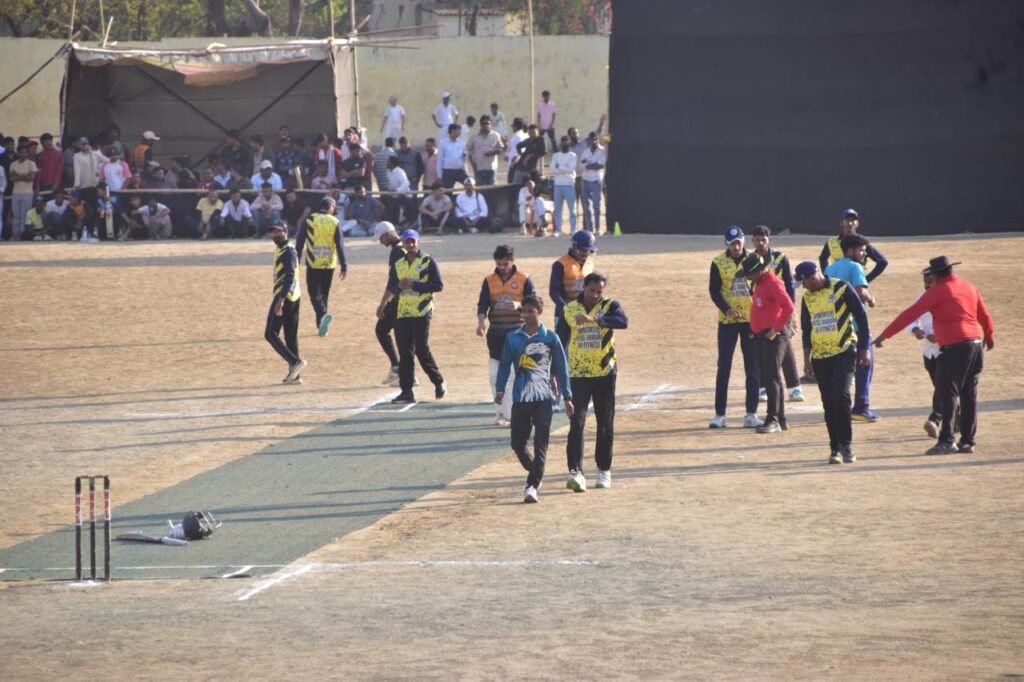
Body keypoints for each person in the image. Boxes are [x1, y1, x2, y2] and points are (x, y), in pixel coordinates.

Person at [873, 256, 995, 455]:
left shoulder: (937, 291)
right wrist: (989, 336)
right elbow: (984, 314)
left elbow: (910, 314)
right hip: (975, 345)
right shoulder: (969, 287)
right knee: (969, 394)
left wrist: (884, 335)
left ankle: (947, 440)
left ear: (937, 275)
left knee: (947, 393)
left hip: (955, 348)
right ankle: (968, 441)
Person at [496, 295, 574, 503]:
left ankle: (531, 486)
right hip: (521, 398)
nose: (527, 315)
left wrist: (567, 397)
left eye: (531, 311)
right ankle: (536, 472)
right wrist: (500, 389)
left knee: (541, 444)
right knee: (517, 444)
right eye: (524, 311)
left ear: (540, 312)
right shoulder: (513, 337)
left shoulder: (550, 337)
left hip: (543, 398)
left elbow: (562, 368)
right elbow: (504, 365)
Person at [557, 272, 628, 491]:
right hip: (577, 374)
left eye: (599, 291)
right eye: (592, 290)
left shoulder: (609, 305)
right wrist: (554, 371)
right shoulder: (569, 309)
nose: (595, 295)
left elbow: (623, 322)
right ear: (583, 287)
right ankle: (576, 472)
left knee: (604, 423)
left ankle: (604, 469)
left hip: (605, 372)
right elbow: (559, 341)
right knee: (576, 423)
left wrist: (595, 319)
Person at [794, 261, 871, 464]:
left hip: (844, 350)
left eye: (804, 282)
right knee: (828, 402)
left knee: (841, 396)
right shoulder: (807, 298)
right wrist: (807, 360)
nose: (803, 287)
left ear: (813, 277)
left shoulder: (842, 288)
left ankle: (846, 446)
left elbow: (861, 316)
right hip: (820, 357)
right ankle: (834, 448)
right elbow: (807, 330)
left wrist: (864, 348)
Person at [708, 226, 761, 429]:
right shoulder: (718, 262)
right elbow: (714, 291)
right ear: (727, 245)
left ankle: (751, 413)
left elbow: (762, 285)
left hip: (751, 321)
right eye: (732, 244)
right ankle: (720, 414)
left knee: (752, 367)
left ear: (743, 241)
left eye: (738, 243)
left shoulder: (754, 259)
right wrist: (726, 309)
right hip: (727, 322)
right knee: (724, 367)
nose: (736, 247)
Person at [478, 245, 537, 427]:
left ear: (512, 261)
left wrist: (518, 305)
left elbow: (535, 304)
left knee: (514, 374)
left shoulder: (524, 278)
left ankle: (515, 414)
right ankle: (501, 414)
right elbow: (483, 304)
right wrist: (481, 323)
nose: (502, 267)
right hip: (496, 333)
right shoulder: (489, 280)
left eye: (505, 264)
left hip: (518, 333)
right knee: (494, 375)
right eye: (499, 264)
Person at [387, 229, 446, 404]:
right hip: (403, 311)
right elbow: (392, 287)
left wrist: (415, 285)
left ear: (418, 242)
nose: (411, 244)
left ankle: (438, 381)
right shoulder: (399, 264)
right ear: (404, 244)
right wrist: (399, 287)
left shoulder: (428, 261)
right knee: (405, 353)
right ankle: (406, 392)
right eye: (408, 242)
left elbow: (438, 285)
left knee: (421, 349)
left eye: (413, 241)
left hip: (422, 310)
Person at [824, 233, 879, 422]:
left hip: (835, 327)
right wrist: (871, 299)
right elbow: (860, 291)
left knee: (839, 370)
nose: (864, 254)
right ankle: (861, 407)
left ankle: (837, 407)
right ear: (850, 250)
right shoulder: (855, 267)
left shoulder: (829, 268)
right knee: (865, 365)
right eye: (861, 250)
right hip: (855, 325)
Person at [742, 253, 795, 434]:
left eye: (749, 274)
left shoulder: (772, 282)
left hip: (773, 337)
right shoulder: (761, 282)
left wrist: (775, 328)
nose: (748, 278)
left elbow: (789, 306)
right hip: (762, 336)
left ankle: (773, 419)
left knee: (772, 378)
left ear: (757, 271)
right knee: (772, 377)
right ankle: (781, 419)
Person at [751, 225, 804, 402]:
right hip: (762, 309)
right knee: (762, 349)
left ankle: (794, 387)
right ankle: (763, 388)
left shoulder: (780, 258)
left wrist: (792, 312)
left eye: (763, 239)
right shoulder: (751, 260)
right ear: (752, 241)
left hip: (781, 310)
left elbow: (790, 286)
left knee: (785, 346)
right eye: (757, 240)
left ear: (769, 240)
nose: (760, 243)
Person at [907, 272, 951, 438]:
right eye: (924, 281)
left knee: (943, 387)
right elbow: (910, 319)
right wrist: (916, 330)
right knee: (943, 388)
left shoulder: (949, 298)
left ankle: (935, 419)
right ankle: (957, 419)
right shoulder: (921, 298)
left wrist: (940, 336)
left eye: (930, 281)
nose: (926, 285)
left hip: (947, 350)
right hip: (929, 354)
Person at [295, 197, 347, 337]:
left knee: (314, 294)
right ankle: (321, 326)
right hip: (329, 263)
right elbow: (340, 244)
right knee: (324, 295)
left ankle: (323, 316)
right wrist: (344, 265)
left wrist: (296, 260)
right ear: (330, 207)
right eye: (334, 208)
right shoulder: (334, 221)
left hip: (314, 262)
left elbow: (300, 241)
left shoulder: (310, 219)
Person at [266, 220, 307, 385]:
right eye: (273, 232)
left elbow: (289, 276)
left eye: (279, 231)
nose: (275, 234)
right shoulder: (282, 249)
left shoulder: (288, 251)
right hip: (294, 296)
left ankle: (294, 362)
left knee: (270, 334)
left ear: (286, 232)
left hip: (285, 297)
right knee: (290, 337)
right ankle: (295, 375)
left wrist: (281, 300)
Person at [550, 230, 596, 345]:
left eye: (588, 250)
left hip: (584, 314)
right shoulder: (560, 264)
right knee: (563, 347)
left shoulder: (589, 263)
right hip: (564, 313)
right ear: (574, 247)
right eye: (582, 250)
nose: (585, 253)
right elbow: (554, 291)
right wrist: (566, 308)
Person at [373, 221, 405, 386]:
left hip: (398, 299)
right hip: (405, 298)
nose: (380, 242)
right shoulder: (404, 246)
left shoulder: (397, 252)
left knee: (383, 330)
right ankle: (399, 369)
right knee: (392, 332)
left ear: (388, 235)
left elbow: (393, 282)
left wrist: (382, 304)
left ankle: (401, 371)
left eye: (381, 238)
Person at [818, 208, 889, 282]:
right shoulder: (832, 242)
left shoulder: (861, 242)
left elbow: (882, 261)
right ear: (841, 223)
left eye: (852, 220)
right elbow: (822, 258)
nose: (850, 223)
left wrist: (867, 279)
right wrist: (827, 275)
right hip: (837, 282)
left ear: (857, 224)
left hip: (855, 283)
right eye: (847, 220)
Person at [578, 131, 606, 233]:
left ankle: (598, 228)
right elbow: (581, 166)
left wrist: (589, 165)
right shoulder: (586, 151)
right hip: (585, 180)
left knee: (596, 205)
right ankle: (590, 229)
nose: (594, 141)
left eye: (595, 139)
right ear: (589, 140)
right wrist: (592, 165)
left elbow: (601, 165)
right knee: (587, 206)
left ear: (598, 140)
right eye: (592, 140)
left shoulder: (602, 151)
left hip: (597, 180)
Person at [550, 135, 578, 235]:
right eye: (563, 143)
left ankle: (573, 229)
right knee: (558, 209)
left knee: (572, 209)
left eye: (566, 142)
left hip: (569, 184)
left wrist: (559, 167)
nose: (564, 145)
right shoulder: (556, 156)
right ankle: (558, 230)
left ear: (569, 143)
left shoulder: (572, 155)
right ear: (560, 144)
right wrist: (564, 169)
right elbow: (552, 169)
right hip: (558, 184)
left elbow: (571, 169)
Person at [465, 114, 505, 186]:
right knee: (479, 190)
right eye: (483, 123)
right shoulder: (474, 137)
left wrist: (494, 152)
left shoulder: (496, 135)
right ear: (480, 125)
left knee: (491, 190)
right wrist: (473, 164)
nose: (485, 125)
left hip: (491, 169)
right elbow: (468, 150)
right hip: (479, 169)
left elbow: (501, 149)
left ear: (491, 125)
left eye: (487, 123)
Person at [8, 146, 37, 241]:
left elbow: (31, 178)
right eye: (21, 152)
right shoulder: (13, 164)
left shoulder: (31, 164)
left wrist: (18, 175)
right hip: (16, 193)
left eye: (24, 152)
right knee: (16, 215)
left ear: (27, 153)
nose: (23, 154)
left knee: (24, 214)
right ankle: (15, 234)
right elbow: (12, 179)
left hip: (27, 193)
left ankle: (22, 234)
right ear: (18, 153)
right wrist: (25, 175)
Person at [438, 124, 468, 189]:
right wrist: (439, 176)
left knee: (469, 184)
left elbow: (465, 158)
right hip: (448, 172)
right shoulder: (443, 143)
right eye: (458, 131)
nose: (459, 133)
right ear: (452, 131)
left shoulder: (462, 143)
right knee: (448, 191)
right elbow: (440, 160)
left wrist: (465, 156)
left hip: (460, 170)